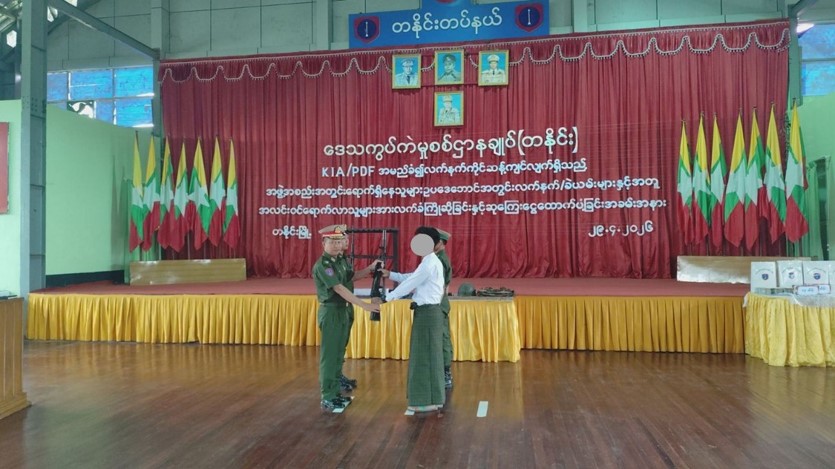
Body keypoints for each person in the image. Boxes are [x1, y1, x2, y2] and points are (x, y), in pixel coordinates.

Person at [377, 226, 446, 413]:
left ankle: (425, 400)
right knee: (430, 356)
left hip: (427, 314)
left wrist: (387, 298)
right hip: (428, 313)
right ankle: (434, 398)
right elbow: (413, 277)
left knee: (423, 357)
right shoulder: (429, 261)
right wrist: (391, 275)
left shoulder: (429, 262)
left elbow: (411, 283)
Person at [313, 224, 380, 412]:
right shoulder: (324, 265)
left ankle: (335, 392)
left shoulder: (340, 260)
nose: (337, 245)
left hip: (344, 311)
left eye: (339, 241)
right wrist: (365, 305)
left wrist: (370, 268)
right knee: (330, 356)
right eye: (332, 242)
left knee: (338, 353)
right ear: (323, 243)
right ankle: (328, 396)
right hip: (332, 312)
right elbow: (339, 288)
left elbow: (350, 277)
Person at [434, 228, 454, 389]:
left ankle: (446, 372)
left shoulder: (440, 260)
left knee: (443, 338)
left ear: (440, 242)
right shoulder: (438, 258)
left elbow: (441, 286)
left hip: (438, 303)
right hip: (440, 302)